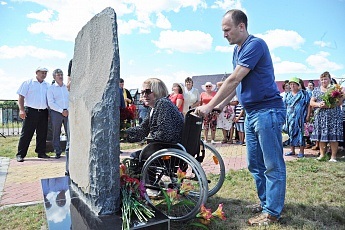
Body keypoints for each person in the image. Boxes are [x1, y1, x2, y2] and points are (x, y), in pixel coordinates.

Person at [195, 9, 286, 226]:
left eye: (227, 30)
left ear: (241, 27)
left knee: (272, 165)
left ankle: (272, 212)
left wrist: (209, 106)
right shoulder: (237, 51)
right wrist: (222, 104)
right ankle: (265, 203)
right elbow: (239, 85)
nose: (224, 34)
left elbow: (234, 79)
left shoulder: (255, 45)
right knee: (255, 164)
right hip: (253, 113)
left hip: (267, 111)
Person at [125, 78, 184, 156]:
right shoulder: (154, 107)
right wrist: (124, 133)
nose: (144, 95)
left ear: (158, 91)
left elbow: (165, 134)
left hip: (169, 149)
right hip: (167, 148)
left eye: (148, 91)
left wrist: (150, 138)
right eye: (142, 92)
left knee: (134, 157)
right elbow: (143, 129)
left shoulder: (163, 104)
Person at [16, 67, 51, 162]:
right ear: (36, 73)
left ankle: (41, 153)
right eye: (42, 73)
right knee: (26, 134)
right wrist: (22, 110)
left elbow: (49, 100)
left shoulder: (47, 85)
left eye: (45, 73)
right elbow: (21, 96)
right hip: (31, 111)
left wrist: (48, 113)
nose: (44, 74)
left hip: (43, 112)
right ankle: (20, 154)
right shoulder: (28, 83)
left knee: (42, 133)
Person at [310, 71, 343, 162]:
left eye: (325, 79)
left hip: (334, 116)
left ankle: (333, 157)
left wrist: (329, 105)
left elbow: (339, 102)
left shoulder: (336, 89)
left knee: (333, 137)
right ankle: (322, 155)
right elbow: (311, 102)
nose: (323, 81)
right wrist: (318, 104)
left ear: (330, 79)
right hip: (321, 116)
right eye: (322, 79)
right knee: (321, 136)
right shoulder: (316, 90)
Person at [283, 77, 310, 158]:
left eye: (294, 84)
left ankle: (301, 151)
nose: (292, 86)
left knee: (301, 134)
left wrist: (308, 115)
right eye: (291, 84)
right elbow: (284, 106)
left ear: (298, 85)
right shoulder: (287, 94)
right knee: (290, 133)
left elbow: (308, 105)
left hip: (300, 118)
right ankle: (292, 150)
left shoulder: (304, 93)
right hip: (290, 118)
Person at [47, 69, 69, 159]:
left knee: (69, 132)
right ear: (54, 77)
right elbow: (51, 103)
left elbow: (71, 100)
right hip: (56, 112)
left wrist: (67, 110)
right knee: (56, 133)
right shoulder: (50, 89)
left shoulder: (67, 88)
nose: (60, 76)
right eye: (58, 75)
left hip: (68, 112)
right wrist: (61, 111)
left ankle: (69, 150)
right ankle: (57, 151)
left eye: (61, 74)